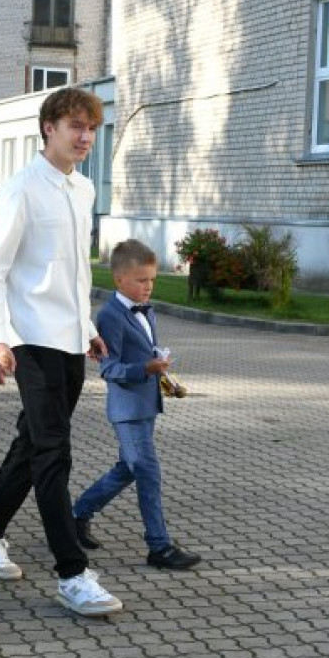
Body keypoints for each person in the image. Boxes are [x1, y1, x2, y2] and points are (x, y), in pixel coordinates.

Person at [0, 87, 124, 617]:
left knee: (32, 445)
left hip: (69, 341)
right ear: (48, 128)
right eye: (75, 126)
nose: (85, 136)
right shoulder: (21, 190)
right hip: (29, 340)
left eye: (92, 128)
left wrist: (86, 327)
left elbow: (74, 271)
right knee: (54, 453)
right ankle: (72, 574)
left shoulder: (83, 189)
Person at [71, 239, 201, 570]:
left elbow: (146, 354)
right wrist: (145, 368)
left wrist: (162, 375)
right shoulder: (110, 316)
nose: (148, 287)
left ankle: (77, 514)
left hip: (146, 405)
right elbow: (109, 369)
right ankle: (159, 547)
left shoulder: (147, 310)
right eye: (141, 280)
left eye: (152, 280)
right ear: (119, 280)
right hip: (127, 411)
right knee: (148, 473)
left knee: (129, 469)